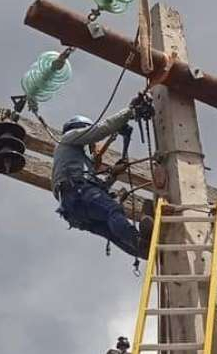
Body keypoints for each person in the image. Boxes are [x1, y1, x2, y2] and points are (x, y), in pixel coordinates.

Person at [52, 100, 154, 258]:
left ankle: (144, 252)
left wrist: (113, 175)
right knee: (112, 210)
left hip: (74, 211)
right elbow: (101, 129)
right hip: (77, 194)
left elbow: (95, 186)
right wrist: (130, 111)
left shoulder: (77, 161)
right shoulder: (68, 138)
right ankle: (139, 242)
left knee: (111, 231)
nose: (93, 144)